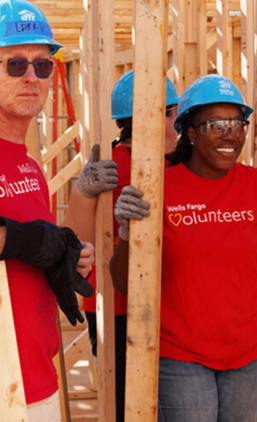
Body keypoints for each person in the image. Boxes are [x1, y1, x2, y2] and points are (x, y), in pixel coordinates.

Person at [110, 74, 257, 422]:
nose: (230, 135)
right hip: (180, 357)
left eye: (238, 124)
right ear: (189, 133)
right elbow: (122, 283)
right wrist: (126, 232)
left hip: (249, 355)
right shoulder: (159, 188)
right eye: (215, 124)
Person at [64, 70, 180, 422]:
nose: (179, 125)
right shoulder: (124, 168)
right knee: (130, 404)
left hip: (145, 304)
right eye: (174, 114)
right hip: (119, 306)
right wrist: (84, 192)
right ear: (151, 117)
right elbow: (74, 241)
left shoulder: (164, 164)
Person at [0, 1, 95, 421]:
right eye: (15, 63)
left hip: (36, 380)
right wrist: (31, 240)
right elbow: (25, 240)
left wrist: (66, 255)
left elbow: (36, 253)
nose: (30, 76)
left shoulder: (27, 165)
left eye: (43, 66)